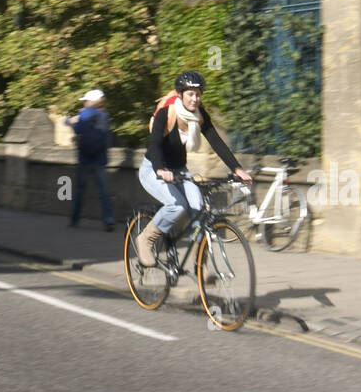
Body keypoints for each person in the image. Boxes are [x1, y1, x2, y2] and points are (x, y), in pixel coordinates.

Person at [136, 71, 251, 266]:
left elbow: (216, 141)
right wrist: (160, 169)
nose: (195, 99)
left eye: (198, 94)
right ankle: (145, 239)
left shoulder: (199, 115)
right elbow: (154, 144)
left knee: (199, 209)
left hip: (180, 170)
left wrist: (237, 168)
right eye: (190, 94)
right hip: (153, 169)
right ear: (181, 95)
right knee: (177, 206)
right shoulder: (168, 112)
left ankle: (200, 264)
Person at [64, 88, 116, 231]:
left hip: (85, 158)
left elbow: (78, 130)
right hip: (100, 158)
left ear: (92, 101)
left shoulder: (84, 113)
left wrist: (69, 123)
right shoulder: (105, 116)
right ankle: (108, 219)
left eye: (86, 100)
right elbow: (106, 137)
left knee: (80, 190)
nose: (85, 103)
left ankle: (75, 220)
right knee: (104, 191)